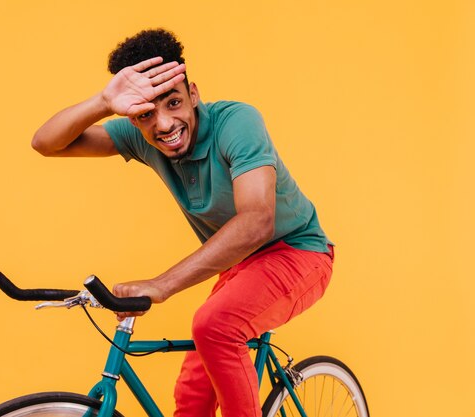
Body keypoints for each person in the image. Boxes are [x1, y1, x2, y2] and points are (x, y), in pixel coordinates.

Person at [32, 28, 334, 417]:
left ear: (193, 93)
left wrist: (161, 284)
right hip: (239, 266)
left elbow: (258, 220)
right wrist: (104, 102)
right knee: (192, 397)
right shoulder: (140, 134)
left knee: (214, 327)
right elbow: (46, 143)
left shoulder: (236, 122)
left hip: (297, 252)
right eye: (145, 114)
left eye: (173, 102)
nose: (163, 124)